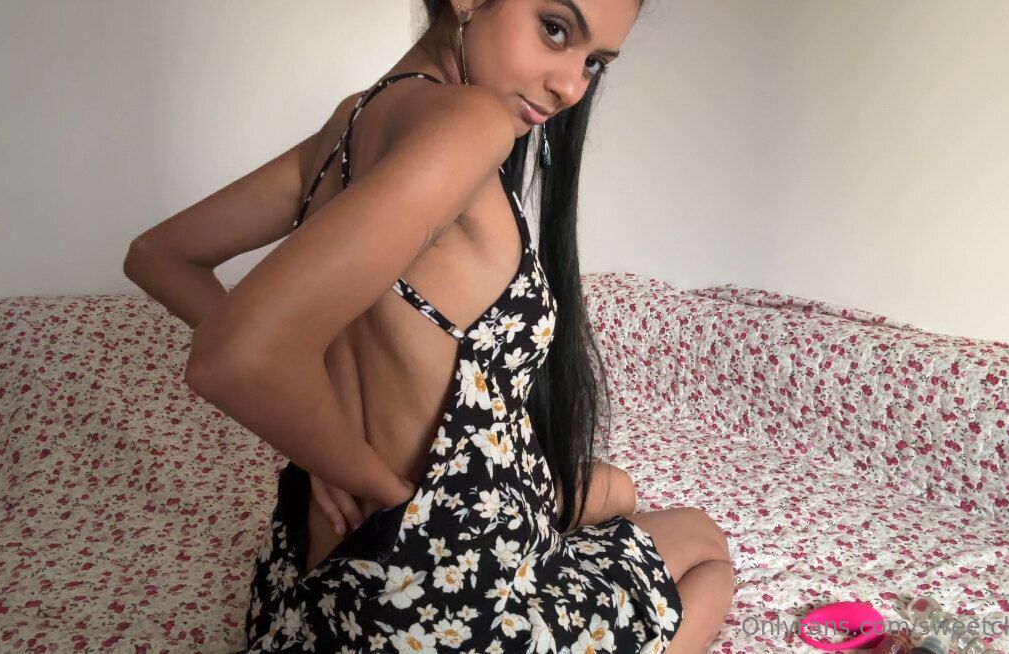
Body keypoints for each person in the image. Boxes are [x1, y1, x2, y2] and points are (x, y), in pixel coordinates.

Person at [126, 1, 735, 651]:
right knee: (705, 545)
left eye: (594, 64)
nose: (570, 86)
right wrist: (377, 485)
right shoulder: (471, 123)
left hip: (316, 596)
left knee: (617, 489)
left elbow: (157, 255)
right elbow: (236, 354)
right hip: (431, 598)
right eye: (554, 29)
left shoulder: (351, 122)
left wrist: (323, 448)